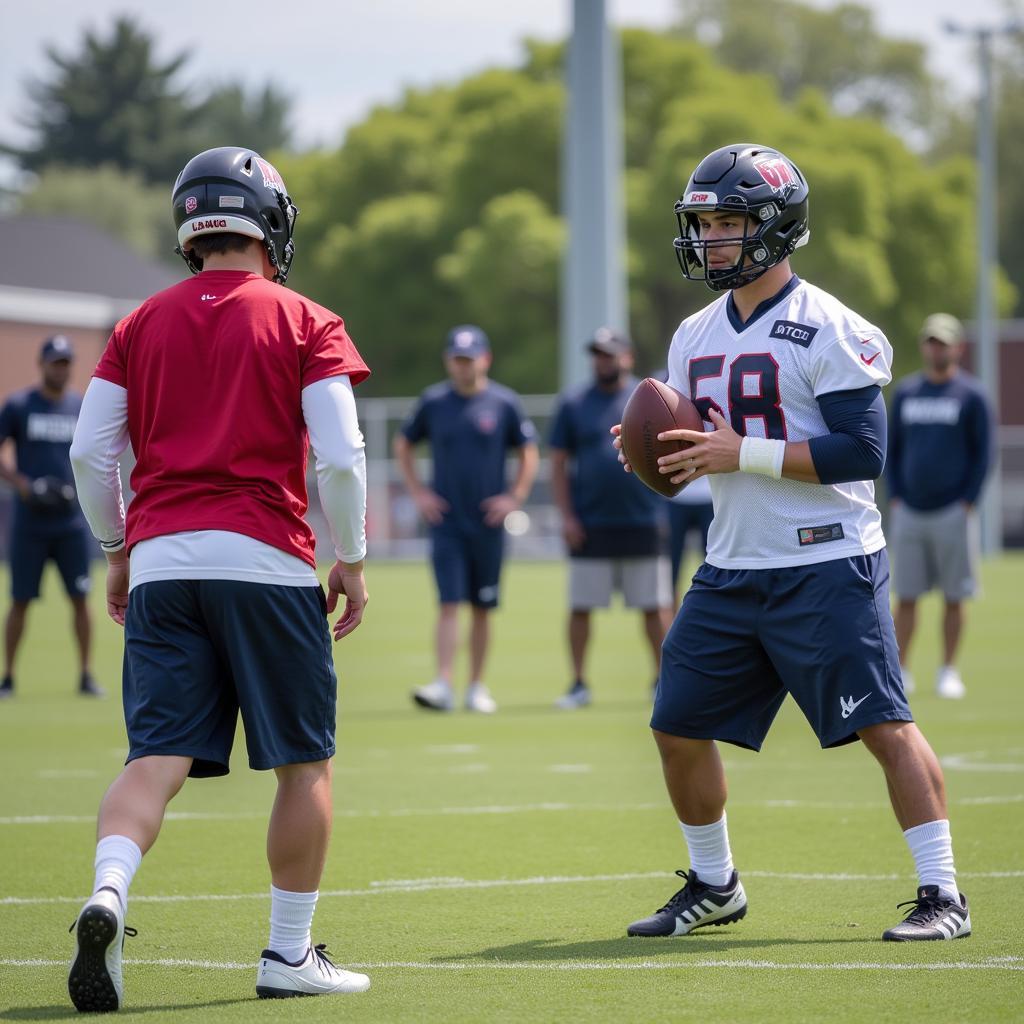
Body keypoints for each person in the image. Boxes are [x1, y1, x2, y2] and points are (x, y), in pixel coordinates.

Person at [615, 143, 970, 943]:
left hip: (827, 560)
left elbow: (863, 452)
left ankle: (943, 893)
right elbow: (697, 450)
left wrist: (743, 452)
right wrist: (652, 450)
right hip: (733, 563)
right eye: (703, 223)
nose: (711, 239)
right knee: (674, 726)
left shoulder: (831, 328)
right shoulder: (692, 334)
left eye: (729, 221)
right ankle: (716, 883)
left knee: (884, 725)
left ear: (775, 228)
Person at [65, 146, 373, 1011]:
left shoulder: (137, 323)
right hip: (267, 561)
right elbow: (343, 457)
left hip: (163, 562)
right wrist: (348, 555)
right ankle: (286, 954)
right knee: (302, 765)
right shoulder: (308, 318)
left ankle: (110, 892)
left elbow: (90, 453)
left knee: (154, 756)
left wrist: (118, 546)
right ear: (269, 221)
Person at [394, 325, 538, 713]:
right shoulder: (434, 402)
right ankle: (442, 683)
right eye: (457, 360)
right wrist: (419, 493)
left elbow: (528, 450)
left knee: (483, 606)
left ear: (485, 359)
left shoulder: (503, 403)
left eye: (469, 359)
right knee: (449, 602)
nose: (463, 366)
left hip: (488, 524)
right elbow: (403, 443)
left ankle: (476, 687)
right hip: (447, 522)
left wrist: (515, 497)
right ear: (448, 361)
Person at [549, 328, 673, 709]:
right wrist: (567, 517)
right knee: (582, 606)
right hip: (591, 522)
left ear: (628, 356)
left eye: (610, 354)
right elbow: (557, 463)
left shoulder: (649, 397)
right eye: (598, 354)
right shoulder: (573, 403)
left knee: (654, 606)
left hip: (644, 517)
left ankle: (662, 681)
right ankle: (578, 683)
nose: (604, 360)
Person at [887, 313, 993, 700]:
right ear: (924, 346)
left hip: (953, 510)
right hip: (910, 510)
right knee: (907, 595)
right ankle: (900, 669)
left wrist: (968, 501)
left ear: (957, 348)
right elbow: (892, 448)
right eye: (931, 341)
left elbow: (983, 454)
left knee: (954, 595)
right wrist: (895, 495)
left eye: (944, 342)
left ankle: (948, 670)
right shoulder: (907, 392)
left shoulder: (972, 395)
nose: (937, 348)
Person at [0, 335, 104, 698]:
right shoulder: (19, 405)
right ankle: (8, 676)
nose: (60, 369)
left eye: (65, 363)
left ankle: (87, 675)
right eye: (54, 362)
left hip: (71, 523)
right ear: (41, 363)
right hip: (30, 522)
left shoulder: (80, 406)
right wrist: (23, 485)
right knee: (20, 599)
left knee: (81, 599)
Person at [665, 475, 714, 606]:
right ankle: (672, 623)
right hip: (673, 496)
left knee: (716, 565)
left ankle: (714, 615)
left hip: (709, 496)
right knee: (670, 570)